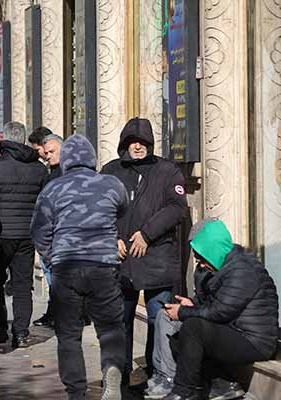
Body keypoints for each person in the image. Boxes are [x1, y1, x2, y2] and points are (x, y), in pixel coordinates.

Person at [30, 134, 128, 400]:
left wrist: (52, 258)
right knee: (110, 329)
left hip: (67, 268)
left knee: (69, 334)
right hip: (104, 268)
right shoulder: (112, 184)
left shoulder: (52, 189)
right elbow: (122, 209)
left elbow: (39, 231)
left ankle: (76, 391)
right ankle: (112, 372)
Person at [143, 220, 280, 400]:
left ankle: (183, 392)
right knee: (179, 338)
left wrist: (183, 312)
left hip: (255, 341)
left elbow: (221, 312)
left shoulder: (242, 269)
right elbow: (213, 303)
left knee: (193, 329)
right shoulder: (219, 266)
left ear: (212, 249)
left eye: (201, 257)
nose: (199, 263)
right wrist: (192, 303)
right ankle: (222, 384)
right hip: (234, 330)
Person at [101, 117, 188, 383]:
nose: (137, 147)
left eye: (142, 142)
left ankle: (157, 373)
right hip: (120, 260)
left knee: (158, 319)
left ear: (149, 144)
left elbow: (177, 207)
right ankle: (118, 374)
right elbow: (99, 208)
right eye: (132, 142)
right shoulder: (110, 171)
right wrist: (111, 237)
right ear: (124, 144)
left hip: (157, 258)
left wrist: (147, 234)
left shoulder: (167, 170)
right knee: (120, 322)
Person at [0, 121, 49, 348]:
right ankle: (21, 332)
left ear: (6, 139)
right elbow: (45, 202)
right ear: (22, 139)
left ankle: (0, 330)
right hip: (26, 236)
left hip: (0, 236)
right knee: (22, 285)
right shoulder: (40, 169)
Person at [27, 127, 64, 328]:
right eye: (46, 152)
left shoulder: (62, 174)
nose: (45, 155)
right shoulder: (50, 172)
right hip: (49, 240)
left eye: (50, 152)